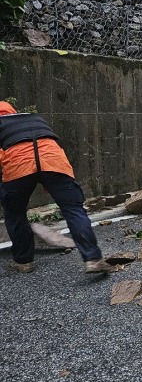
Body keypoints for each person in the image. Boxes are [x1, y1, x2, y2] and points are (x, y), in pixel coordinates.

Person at [0, 101, 113, 273]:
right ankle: (93, 259)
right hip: (54, 161)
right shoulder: (33, 118)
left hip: (18, 165)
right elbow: (49, 145)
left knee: (15, 214)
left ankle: (24, 262)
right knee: (73, 209)